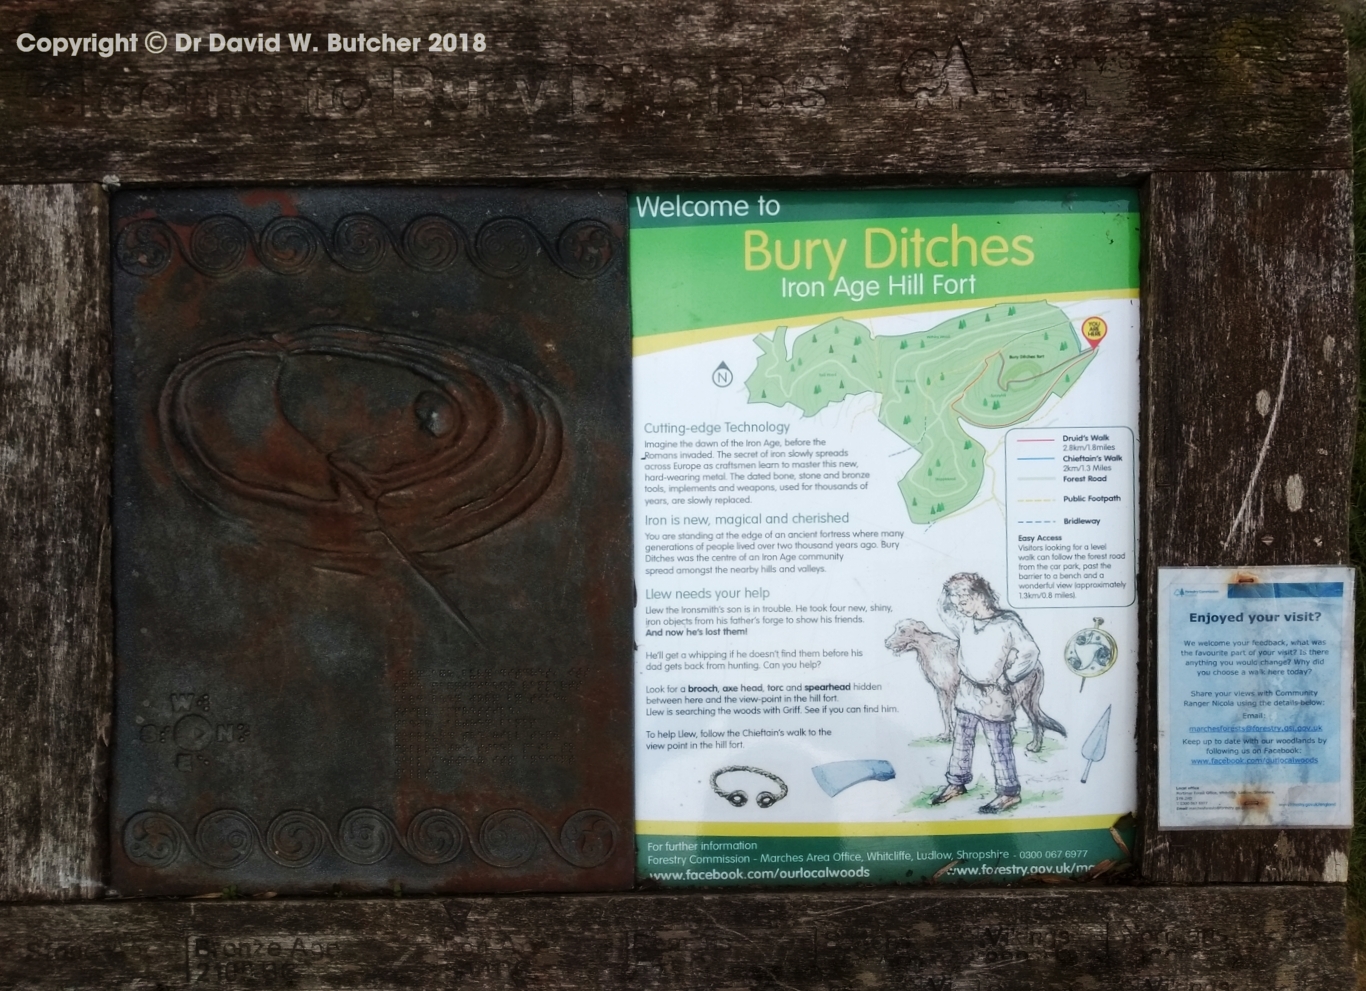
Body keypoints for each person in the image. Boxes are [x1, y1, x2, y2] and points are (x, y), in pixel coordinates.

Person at [930, 572, 1039, 814]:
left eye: (964, 601)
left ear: (980, 596)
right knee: (962, 741)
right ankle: (956, 783)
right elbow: (944, 610)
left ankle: (1009, 793)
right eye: (957, 602)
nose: (960, 607)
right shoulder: (964, 621)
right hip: (967, 692)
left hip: (995, 695)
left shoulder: (1008, 623)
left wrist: (1009, 677)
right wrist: (948, 587)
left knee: (999, 744)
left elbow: (1029, 652)